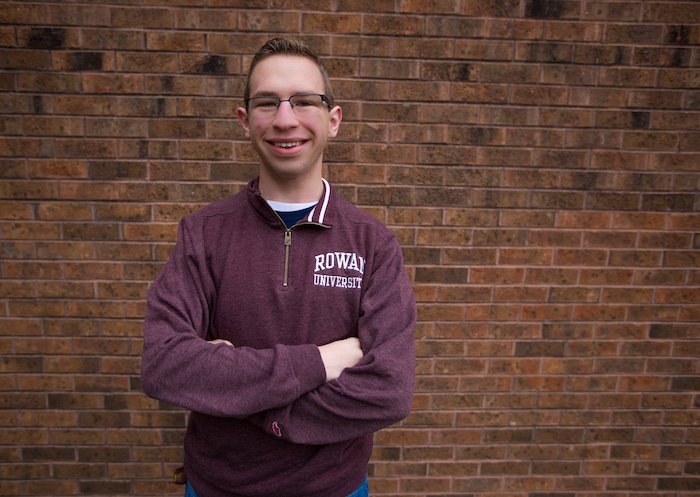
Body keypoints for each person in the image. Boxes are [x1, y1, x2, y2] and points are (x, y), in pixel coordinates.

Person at [140, 37, 416, 497]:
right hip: (216, 488)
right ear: (246, 121)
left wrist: (238, 394)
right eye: (268, 103)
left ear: (333, 120)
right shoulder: (203, 234)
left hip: (334, 490)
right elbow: (165, 365)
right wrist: (321, 361)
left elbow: (389, 390)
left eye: (305, 101)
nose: (286, 119)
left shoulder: (373, 245)